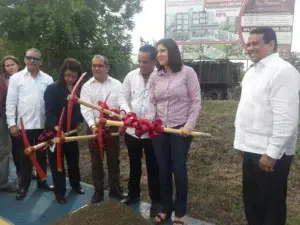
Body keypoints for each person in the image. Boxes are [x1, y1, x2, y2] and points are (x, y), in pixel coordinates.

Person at [234, 27, 300, 225]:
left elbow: (287, 118)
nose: (250, 48)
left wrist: (272, 153)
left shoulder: (283, 71)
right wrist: (241, 144)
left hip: (270, 154)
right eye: (249, 43)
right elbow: (251, 111)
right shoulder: (251, 73)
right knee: (253, 205)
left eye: (256, 43)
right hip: (251, 149)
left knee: (271, 208)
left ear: (271, 45)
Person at [146, 38, 201, 225]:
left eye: (162, 50)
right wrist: (149, 120)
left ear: (172, 52)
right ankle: (165, 207)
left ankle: (180, 211)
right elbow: (152, 102)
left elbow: (195, 101)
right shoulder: (155, 76)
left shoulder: (187, 73)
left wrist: (189, 126)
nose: (159, 54)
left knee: (179, 169)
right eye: (157, 51)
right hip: (160, 129)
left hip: (180, 130)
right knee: (163, 169)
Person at [6, 48, 54, 200]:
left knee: (42, 156)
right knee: (25, 158)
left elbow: (51, 104)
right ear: (25, 59)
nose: (32, 61)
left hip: (42, 125)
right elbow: (11, 102)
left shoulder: (48, 79)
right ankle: (23, 187)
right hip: (23, 125)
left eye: (35, 59)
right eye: (29, 58)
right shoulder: (16, 78)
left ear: (41, 61)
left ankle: (42, 182)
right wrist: (11, 124)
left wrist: (51, 125)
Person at [118, 45, 161, 217]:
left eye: (145, 62)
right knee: (134, 164)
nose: (141, 65)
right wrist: (129, 114)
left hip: (151, 132)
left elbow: (161, 101)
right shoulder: (131, 76)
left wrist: (150, 119)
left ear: (153, 61)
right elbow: (123, 96)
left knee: (153, 166)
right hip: (132, 130)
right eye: (139, 61)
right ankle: (133, 194)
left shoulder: (160, 77)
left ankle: (155, 201)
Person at [80, 55, 126, 203]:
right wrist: (93, 126)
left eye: (100, 65)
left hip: (112, 127)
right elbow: (85, 108)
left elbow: (122, 104)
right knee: (96, 161)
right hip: (94, 128)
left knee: (114, 160)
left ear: (107, 67)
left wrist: (121, 119)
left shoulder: (117, 85)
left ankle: (115, 189)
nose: (97, 68)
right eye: (94, 65)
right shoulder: (87, 86)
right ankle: (98, 191)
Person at [44, 58, 85, 204]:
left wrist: (80, 122)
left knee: (73, 160)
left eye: (74, 76)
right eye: (67, 75)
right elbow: (49, 113)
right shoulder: (52, 89)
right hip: (55, 133)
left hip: (72, 131)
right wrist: (57, 127)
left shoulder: (80, 89)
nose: (70, 79)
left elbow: (81, 111)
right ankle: (59, 192)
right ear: (62, 74)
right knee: (57, 163)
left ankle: (75, 185)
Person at [1, 56, 24, 181]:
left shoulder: (25, 77)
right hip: (8, 117)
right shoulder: (3, 81)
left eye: (12, 64)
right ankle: (19, 171)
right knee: (15, 145)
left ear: (18, 65)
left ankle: (30, 169)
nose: (10, 67)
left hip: (25, 116)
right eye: (7, 65)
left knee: (27, 144)